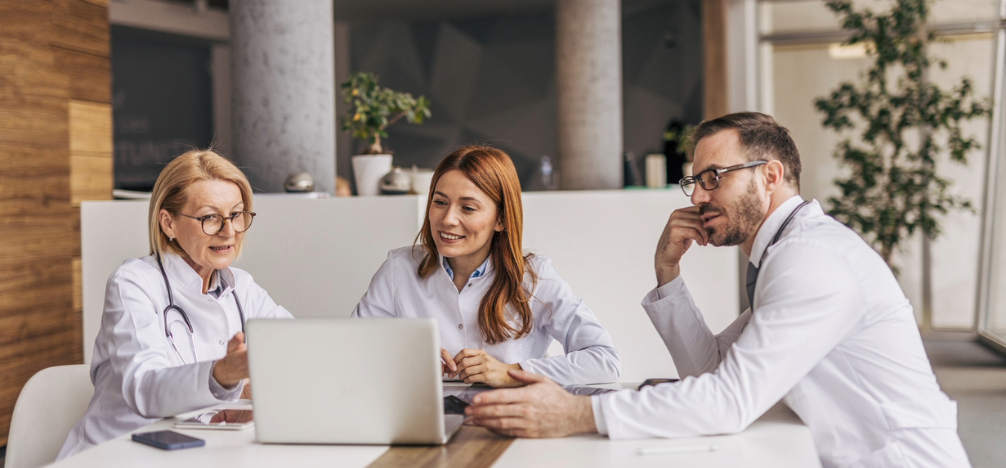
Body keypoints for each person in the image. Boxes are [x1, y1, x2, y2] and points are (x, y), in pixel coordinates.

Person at [465, 113, 971, 468]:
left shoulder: (811, 259)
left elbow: (728, 400)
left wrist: (577, 413)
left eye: (714, 177)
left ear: (770, 175)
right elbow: (710, 370)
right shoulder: (788, 255)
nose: (700, 196)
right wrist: (668, 274)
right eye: (696, 181)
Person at [58, 150, 293, 459]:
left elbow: (294, 348)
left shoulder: (242, 287)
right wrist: (221, 375)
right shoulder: (134, 283)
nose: (229, 230)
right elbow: (145, 389)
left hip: (200, 453)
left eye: (236, 214)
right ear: (168, 222)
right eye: (210, 217)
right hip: (117, 455)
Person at [352, 145, 620, 387]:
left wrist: (511, 372)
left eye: (468, 208)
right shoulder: (398, 269)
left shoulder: (535, 278)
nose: (448, 219)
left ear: (501, 219)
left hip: (511, 425)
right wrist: (408, 359)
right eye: (440, 202)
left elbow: (604, 360)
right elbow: (352, 350)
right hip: (421, 420)